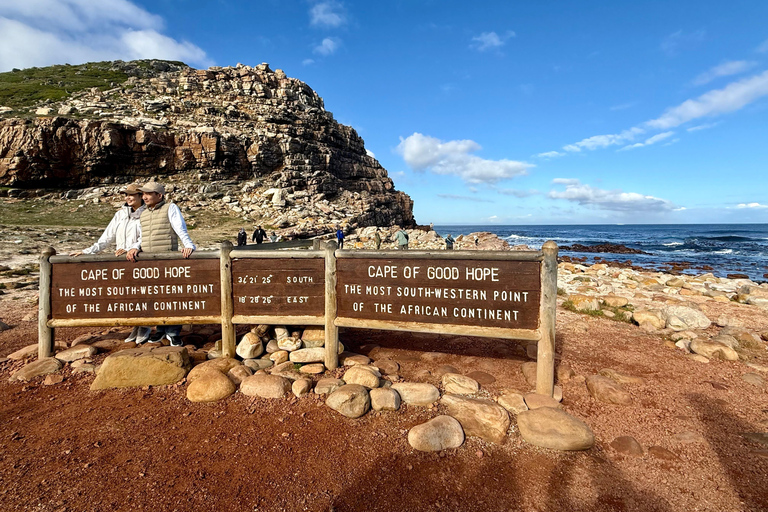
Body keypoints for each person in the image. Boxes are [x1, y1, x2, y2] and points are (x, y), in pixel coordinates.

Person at [71, 183, 150, 344]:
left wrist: (132, 248)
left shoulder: (148, 214)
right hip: (122, 261)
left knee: (142, 294)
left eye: (131, 195)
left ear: (141, 196)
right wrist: (88, 251)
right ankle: (135, 326)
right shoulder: (120, 214)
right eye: (126, 195)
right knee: (128, 296)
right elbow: (106, 238)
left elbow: (146, 236)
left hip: (140, 259)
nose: (127, 197)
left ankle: (145, 326)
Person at [126, 181, 196, 347]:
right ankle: (160, 330)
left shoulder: (170, 208)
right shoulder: (143, 213)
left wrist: (188, 245)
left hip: (167, 259)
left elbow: (180, 228)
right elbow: (143, 237)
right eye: (143, 194)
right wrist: (135, 248)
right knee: (155, 296)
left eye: (149, 193)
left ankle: (173, 332)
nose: (145, 197)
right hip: (149, 261)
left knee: (170, 296)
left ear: (159, 195)